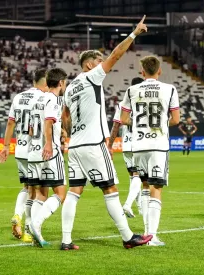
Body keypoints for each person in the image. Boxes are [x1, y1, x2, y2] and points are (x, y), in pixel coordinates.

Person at [61, 16, 153, 251]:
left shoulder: (70, 86)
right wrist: (133, 33)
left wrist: (70, 133)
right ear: (90, 65)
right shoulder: (92, 76)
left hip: (75, 146)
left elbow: (65, 117)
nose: (103, 63)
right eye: (98, 61)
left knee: (74, 191)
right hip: (93, 143)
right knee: (110, 189)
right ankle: (127, 236)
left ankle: (66, 240)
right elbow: (116, 55)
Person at [120, 56, 180, 246]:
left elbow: (123, 119)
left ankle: (146, 234)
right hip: (158, 145)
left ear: (142, 72)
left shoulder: (132, 90)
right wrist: (161, 124)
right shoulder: (169, 89)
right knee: (156, 188)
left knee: (145, 187)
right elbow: (176, 120)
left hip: (138, 145)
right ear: (159, 71)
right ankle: (152, 236)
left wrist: (138, 125)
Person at [0, 68, 48, 242]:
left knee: (27, 187)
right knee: (38, 192)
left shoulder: (18, 97)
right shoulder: (44, 98)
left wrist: (5, 146)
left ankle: (17, 215)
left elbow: (10, 123)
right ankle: (28, 229)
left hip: (19, 149)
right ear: (45, 82)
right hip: (36, 149)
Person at [28, 68, 68, 247]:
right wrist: (50, 144)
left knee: (41, 192)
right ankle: (36, 224)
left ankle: (32, 229)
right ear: (60, 83)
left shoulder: (38, 99)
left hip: (34, 151)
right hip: (49, 152)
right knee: (60, 194)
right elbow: (48, 122)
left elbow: (30, 128)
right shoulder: (52, 99)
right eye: (65, 82)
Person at [109, 77, 145, 218]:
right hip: (140, 142)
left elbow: (116, 126)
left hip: (126, 144)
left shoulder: (123, 103)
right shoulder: (144, 102)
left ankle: (140, 208)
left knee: (133, 177)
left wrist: (110, 145)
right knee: (139, 176)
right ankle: (128, 204)